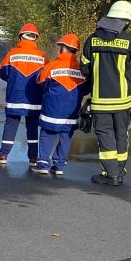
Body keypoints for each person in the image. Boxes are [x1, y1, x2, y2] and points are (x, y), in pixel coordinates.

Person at [80, 0, 131, 186]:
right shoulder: (130, 41)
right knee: (121, 133)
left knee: (105, 135)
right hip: (123, 101)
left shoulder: (91, 40)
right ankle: (118, 171)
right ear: (126, 20)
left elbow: (84, 68)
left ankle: (110, 174)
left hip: (100, 101)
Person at [0, 23, 49, 167]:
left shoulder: (13, 53)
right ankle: (34, 158)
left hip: (14, 97)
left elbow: (3, 73)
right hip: (34, 99)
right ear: (35, 38)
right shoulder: (42, 56)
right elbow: (47, 78)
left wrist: (14, 81)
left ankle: (3, 154)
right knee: (33, 127)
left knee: (10, 125)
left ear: (21, 36)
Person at [32, 33, 88, 176]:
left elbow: (40, 84)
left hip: (51, 109)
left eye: (60, 47)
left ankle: (43, 163)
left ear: (64, 48)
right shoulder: (82, 70)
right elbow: (86, 88)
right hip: (71, 111)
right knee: (65, 136)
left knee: (47, 135)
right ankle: (59, 166)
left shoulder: (52, 66)